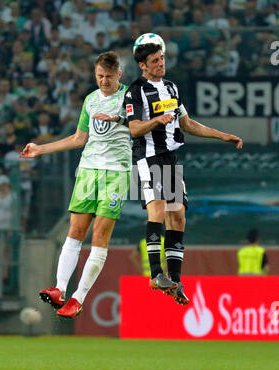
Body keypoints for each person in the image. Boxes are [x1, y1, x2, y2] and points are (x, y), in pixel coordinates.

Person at [124, 43, 243, 305]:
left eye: (162, 58)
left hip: (170, 158)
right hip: (147, 156)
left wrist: (221, 135)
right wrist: (156, 121)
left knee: (178, 216)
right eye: (154, 60)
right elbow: (133, 129)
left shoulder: (172, 88)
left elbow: (187, 124)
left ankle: (174, 281)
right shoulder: (135, 91)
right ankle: (156, 273)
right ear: (142, 65)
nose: (160, 63)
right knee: (157, 209)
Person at [19, 51, 131, 319]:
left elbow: (141, 126)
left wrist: (119, 120)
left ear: (119, 75)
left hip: (116, 173)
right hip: (87, 171)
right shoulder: (91, 100)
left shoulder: (131, 98)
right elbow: (80, 138)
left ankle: (78, 298)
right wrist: (40, 149)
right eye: (99, 76)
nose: (103, 81)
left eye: (108, 76)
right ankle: (59, 289)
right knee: (75, 231)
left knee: (99, 236)